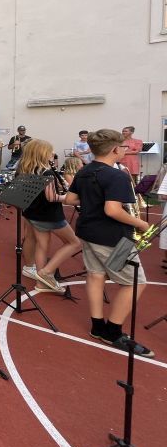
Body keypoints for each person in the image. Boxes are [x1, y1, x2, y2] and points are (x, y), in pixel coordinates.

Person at [65, 129, 154, 357]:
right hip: (112, 236)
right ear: (115, 149)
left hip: (88, 232)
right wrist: (141, 224)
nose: (125, 150)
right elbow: (112, 210)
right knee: (135, 282)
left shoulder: (85, 170)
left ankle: (97, 326)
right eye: (123, 147)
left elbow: (71, 199)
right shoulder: (116, 176)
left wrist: (92, 198)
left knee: (96, 275)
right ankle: (113, 332)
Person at [15, 140, 81, 293]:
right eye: (50, 151)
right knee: (74, 243)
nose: (53, 154)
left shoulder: (26, 169)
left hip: (33, 214)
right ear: (42, 153)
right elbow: (51, 198)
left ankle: (42, 283)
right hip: (49, 215)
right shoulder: (47, 172)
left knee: (42, 245)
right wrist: (72, 198)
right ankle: (46, 272)